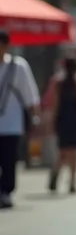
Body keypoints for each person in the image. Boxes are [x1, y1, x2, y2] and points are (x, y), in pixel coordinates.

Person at [0, 30, 40, 209]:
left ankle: (6, 191)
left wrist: (35, 117)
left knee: (9, 160)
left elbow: (30, 95)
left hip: (11, 123)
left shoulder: (18, 66)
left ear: (7, 46)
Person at [49, 57, 76, 194]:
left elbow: (56, 104)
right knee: (75, 153)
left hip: (63, 119)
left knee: (62, 151)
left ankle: (55, 173)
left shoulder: (59, 83)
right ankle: (72, 182)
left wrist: (53, 121)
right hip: (75, 119)